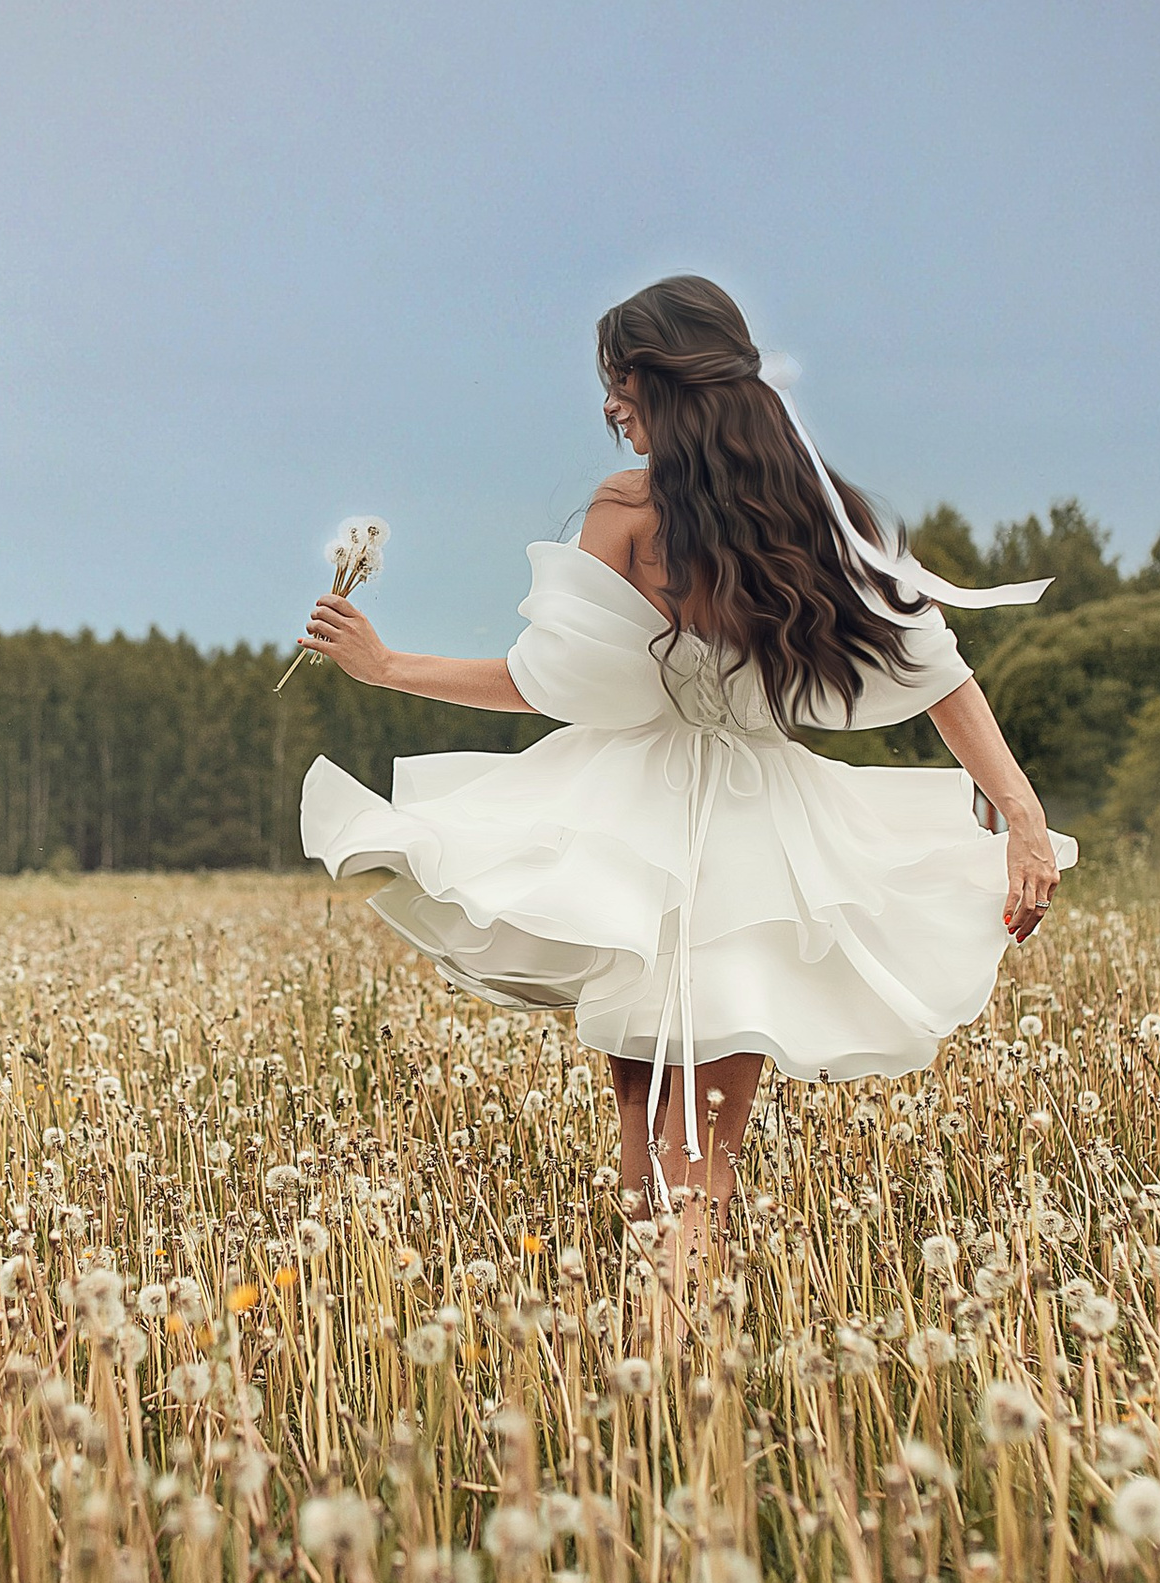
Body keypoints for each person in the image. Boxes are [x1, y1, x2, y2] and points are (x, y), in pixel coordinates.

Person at [297, 274, 1073, 1297]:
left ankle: (668, 1385)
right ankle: (663, 1376)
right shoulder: (811, 514)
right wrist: (1019, 815)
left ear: (664, 378)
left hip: (658, 821)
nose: (610, 406)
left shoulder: (660, 511)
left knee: (665, 1154)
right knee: (672, 1152)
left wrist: (392, 667)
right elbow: (937, 672)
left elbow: (549, 684)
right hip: (729, 825)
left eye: (618, 381)